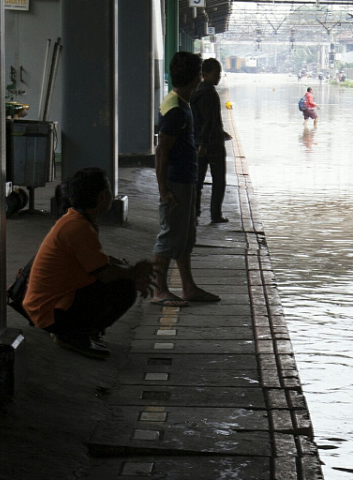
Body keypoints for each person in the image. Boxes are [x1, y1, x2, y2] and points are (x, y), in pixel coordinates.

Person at [21, 166, 151, 360]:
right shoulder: (79, 228)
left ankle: (81, 332)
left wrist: (127, 269)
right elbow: (105, 273)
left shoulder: (75, 220)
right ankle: (73, 335)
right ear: (101, 197)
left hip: (48, 304)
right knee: (124, 288)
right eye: (109, 190)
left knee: (120, 278)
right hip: (49, 311)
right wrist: (133, 272)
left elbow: (98, 261)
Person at [153, 52, 220, 305]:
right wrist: (164, 191)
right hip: (176, 182)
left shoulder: (179, 102)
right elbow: (162, 151)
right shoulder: (177, 111)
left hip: (186, 180)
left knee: (184, 236)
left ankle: (188, 287)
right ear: (196, 77)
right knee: (170, 235)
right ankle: (159, 290)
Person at [192, 57, 230, 225]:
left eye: (219, 74)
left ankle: (195, 212)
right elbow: (209, 120)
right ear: (205, 74)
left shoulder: (196, 91)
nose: (218, 77)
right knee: (219, 180)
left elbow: (202, 119)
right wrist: (206, 142)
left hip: (200, 142)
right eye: (216, 74)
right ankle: (215, 214)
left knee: (198, 180)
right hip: (212, 145)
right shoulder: (210, 94)